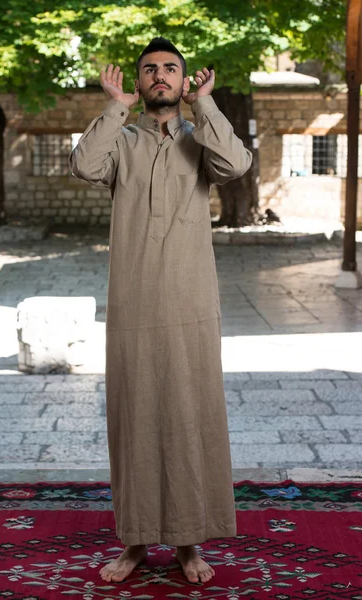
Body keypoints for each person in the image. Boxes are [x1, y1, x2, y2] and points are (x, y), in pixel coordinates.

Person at [69, 36, 252, 585]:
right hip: (133, 304)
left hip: (192, 304)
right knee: (136, 420)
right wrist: (113, 105)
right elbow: (84, 165)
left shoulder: (201, 140)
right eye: (150, 70)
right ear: (140, 81)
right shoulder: (120, 142)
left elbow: (236, 164)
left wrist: (208, 104)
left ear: (184, 79)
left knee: (189, 419)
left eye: (171, 69)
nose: (160, 77)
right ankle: (134, 542)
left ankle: (190, 544)